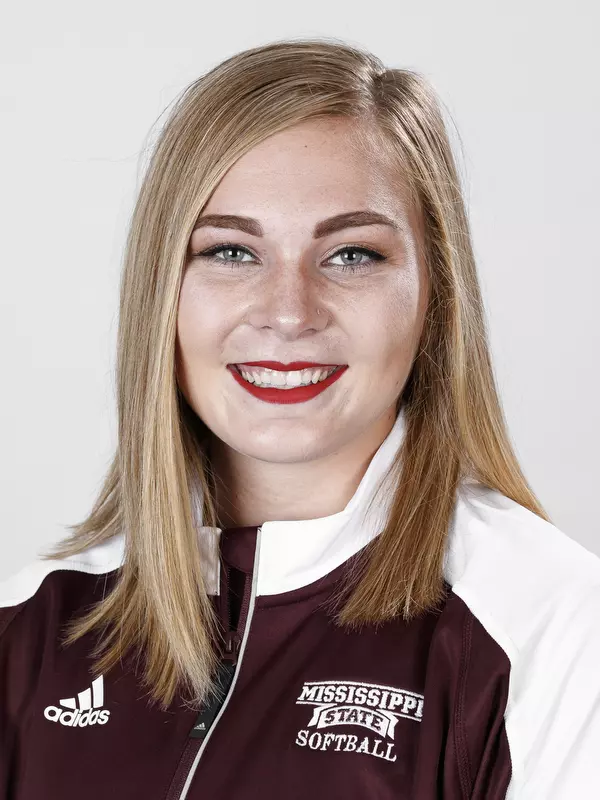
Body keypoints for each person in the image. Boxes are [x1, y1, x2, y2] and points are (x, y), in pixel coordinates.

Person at [1, 37, 599, 800]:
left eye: (351, 255)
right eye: (231, 252)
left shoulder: (555, 628)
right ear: (162, 294)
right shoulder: (26, 627)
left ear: (435, 297)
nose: (287, 313)